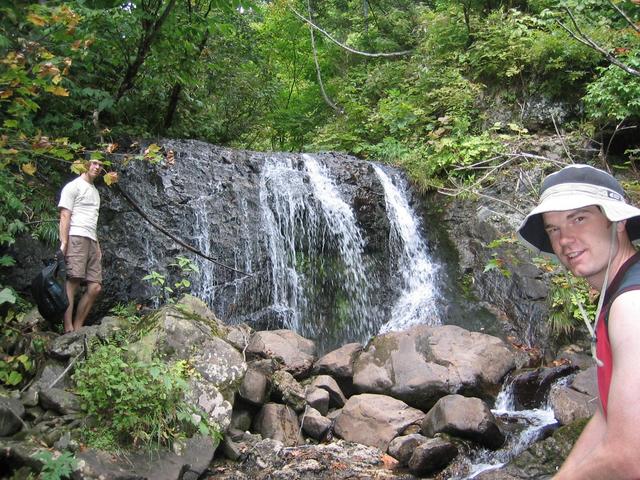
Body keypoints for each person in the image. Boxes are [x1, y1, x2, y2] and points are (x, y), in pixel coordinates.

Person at [517, 163, 640, 479]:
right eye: (553, 228)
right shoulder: (618, 292)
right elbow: (608, 414)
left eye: (579, 218)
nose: (565, 240)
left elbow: (630, 458)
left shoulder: (631, 304)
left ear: (619, 220)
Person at [58, 159, 104, 333]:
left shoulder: (95, 191)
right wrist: (64, 243)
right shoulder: (73, 186)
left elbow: (93, 221)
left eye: (100, 165)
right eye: (93, 163)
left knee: (95, 287)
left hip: (91, 239)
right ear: (84, 164)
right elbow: (64, 215)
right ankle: (68, 327)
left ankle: (78, 326)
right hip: (76, 236)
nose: (97, 167)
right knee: (73, 281)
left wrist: (97, 245)